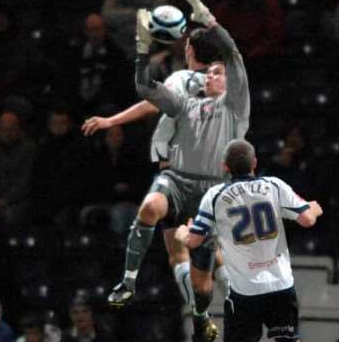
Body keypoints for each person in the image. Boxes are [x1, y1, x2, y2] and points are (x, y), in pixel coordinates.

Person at [107, 0, 250, 342]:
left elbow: (232, 56)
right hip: (180, 179)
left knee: (200, 273)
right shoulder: (187, 95)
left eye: (220, 73)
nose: (214, 76)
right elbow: (146, 92)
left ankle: (207, 314)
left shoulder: (233, 101)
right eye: (212, 71)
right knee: (155, 214)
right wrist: (142, 48)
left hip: (213, 191)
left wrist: (208, 19)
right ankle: (131, 283)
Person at [81, 26, 231, 322]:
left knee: (184, 253)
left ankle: (203, 309)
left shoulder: (185, 81)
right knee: (204, 254)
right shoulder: (229, 87)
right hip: (206, 177)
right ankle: (217, 308)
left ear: (189, 50)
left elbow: (151, 103)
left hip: (187, 175)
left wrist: (112, 120)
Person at [175, 139, 322, 342]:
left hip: (245, 291)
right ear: (255, 163)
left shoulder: (216, 196)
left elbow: (194, 241)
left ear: (224, 166)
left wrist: (182, 234)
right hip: (281, 285)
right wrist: (315, 208)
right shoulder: (274, 185)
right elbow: (307, 219)